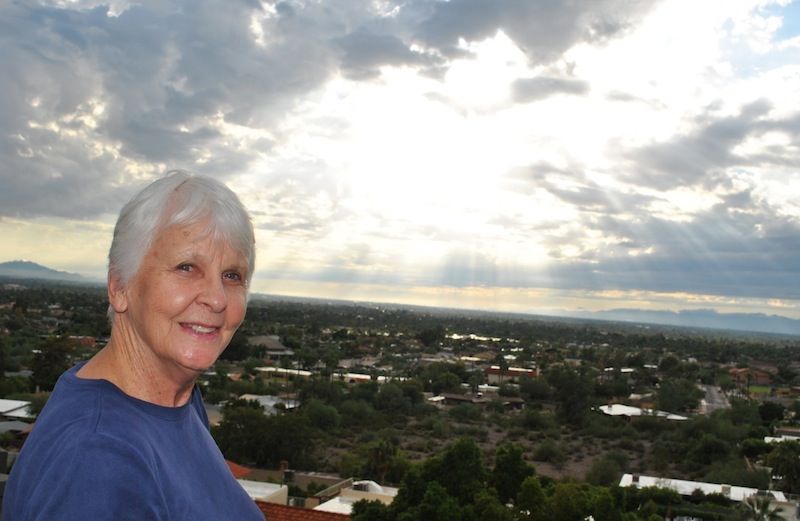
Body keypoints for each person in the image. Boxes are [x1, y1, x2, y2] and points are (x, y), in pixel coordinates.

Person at [3, 171, 265, 520]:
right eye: (187, 267)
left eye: (232, 275)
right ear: (120, 287)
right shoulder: (97, 456)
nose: (217, 299)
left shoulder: (176, 401)